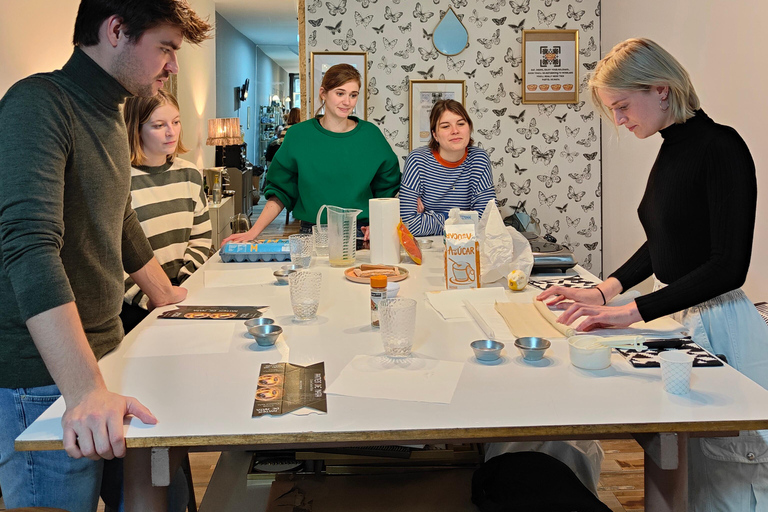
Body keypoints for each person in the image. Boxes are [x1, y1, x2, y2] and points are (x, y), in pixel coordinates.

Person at [537, 38, 768, 511]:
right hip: (683, 317)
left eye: (622, 107)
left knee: (730, 489)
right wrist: (604, 292)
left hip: (723, 326)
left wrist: (631, 312)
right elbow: (665, 240)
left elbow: (728, 266)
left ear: (661, 90)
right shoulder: (672, 148)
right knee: (690, 473)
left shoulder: (720, 147)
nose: (619, 121)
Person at [0, 1, 211, 511]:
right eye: (165, 49)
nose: (173, 66)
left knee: (160, 492)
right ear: (116, 30)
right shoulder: (39, 103)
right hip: (44, 376)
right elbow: (29, 245)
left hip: (106, 355)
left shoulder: (111, 114)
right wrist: (83, 389)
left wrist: (166, 296)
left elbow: (119, 220)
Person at [223, 64, 400, 244]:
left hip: (362, 235)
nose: (348, 102)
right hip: (312, 235)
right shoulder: (298, 136)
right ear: (323, 93)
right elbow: (280, 192)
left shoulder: (371, 136)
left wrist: (379, 223)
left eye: (353, 95)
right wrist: (253, 232)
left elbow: (389, 190)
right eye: (340, 93)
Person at [120, 89, 212, 334]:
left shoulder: (190, 174)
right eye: (159, 125)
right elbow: (111, 255)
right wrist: (150, 295)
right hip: (137, 307)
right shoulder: (120, 180)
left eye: (176, 122)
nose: (171, 132)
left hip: (183, 293)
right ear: (135, 129)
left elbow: (201, 238)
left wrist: (183, 283)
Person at [399, 99, 496, 236]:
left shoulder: (479, 159)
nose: (455, 131)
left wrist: (430, 217)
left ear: (469, 128)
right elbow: (408, 224)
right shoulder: (417, 160)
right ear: (435, 135)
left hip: (466, 246)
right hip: (428, 247)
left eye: (461, 124)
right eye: (445, 126)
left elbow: (487, 220)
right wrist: (464, 219)